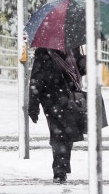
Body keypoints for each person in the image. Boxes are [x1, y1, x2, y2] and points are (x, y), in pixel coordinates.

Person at [28, 47, 87, 184]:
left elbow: (80, 71)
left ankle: (62, 167)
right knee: (59, 134)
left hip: (69, 98)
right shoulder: (43, 52)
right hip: (51, 100)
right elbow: (36, 79)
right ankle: (59, 170)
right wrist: (33, 105)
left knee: (68, 133)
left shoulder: (73, 49)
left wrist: (85, 60)